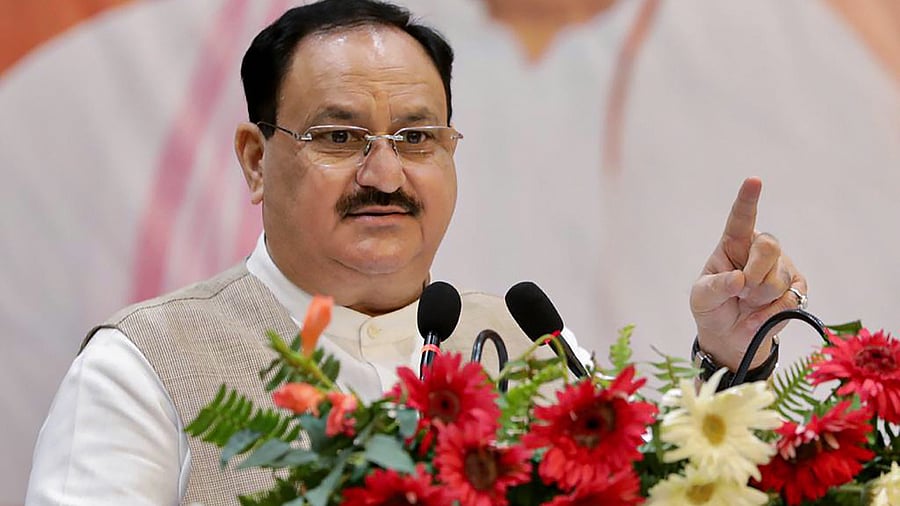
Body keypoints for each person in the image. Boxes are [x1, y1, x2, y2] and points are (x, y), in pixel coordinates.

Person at [25, 0, 806, 504]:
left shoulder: (534, 345)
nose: (385, 175)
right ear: (256, 160)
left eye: (418, 138)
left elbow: (655, 485)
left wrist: (729, 360)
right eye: (338, 137)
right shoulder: (145, 367)